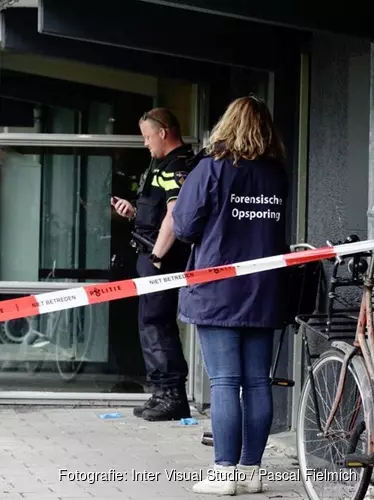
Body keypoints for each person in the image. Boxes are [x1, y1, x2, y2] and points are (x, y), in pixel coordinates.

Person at [170, 95, 289, 496]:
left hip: (218, 289)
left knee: (224, 382)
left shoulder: (212, 168)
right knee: (257, 383)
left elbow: (184, 225)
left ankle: (223, 474)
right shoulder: (275, 173)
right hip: (266, 289)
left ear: (226, 124)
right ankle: (251, 472)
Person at [110, 108, 194, 421]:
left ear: (163, 132)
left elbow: (175, 215)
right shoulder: (161, 165)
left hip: (161, 259)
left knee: (157, 324)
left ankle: (172, 396)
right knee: (150, 324)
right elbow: (160, 213)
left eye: (147, 136)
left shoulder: (178, 166)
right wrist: (135, 213)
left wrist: (157, 256)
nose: (145, 143)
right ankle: (161, 393)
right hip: (150, 253)